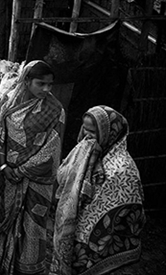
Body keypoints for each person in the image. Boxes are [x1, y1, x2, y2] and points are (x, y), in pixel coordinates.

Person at [51, 106, 145, 275]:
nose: (86, 135)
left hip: (107, 238)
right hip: (81, 228)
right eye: (84, 128)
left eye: (93, 132)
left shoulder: (122, 169)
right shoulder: (88, 152)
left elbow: (116, 210)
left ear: (110, 133)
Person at [0, 60, 65, 275]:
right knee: (5, 216)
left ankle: (27, 269)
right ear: (26, 81)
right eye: (40, 83)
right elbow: (0, 134)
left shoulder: (55, 110)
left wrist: (22, 170)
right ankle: (2, 264)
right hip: (8, 174)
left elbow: (51, 148)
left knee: (32, 226)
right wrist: (5, 165)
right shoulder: (9, 101)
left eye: (50, 85)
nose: (46, 89)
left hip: (36, 180)